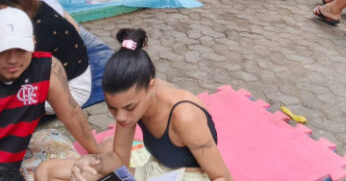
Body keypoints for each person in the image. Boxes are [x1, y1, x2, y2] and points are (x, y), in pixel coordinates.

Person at [37, 28, 232, 181]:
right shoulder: (130, 101)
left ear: (151, 87)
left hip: (188, 177)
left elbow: (222, 176)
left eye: (129, 108)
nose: (120, 116)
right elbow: (119, 157)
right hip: (153, 170)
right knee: (47, 171)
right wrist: (91, 163)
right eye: (112, 107)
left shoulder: (185, 116)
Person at [0, 7, 101, 170]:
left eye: (20, 49)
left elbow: (72, 114)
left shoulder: (46, 69)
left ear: (33, 43)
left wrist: (98, 155)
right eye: (3, 50)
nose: (12, 59)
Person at [1, 0, 92, 112]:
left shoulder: (39, 28)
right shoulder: (35, 8)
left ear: (19, 5)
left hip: (72, 91)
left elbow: (18, 71)